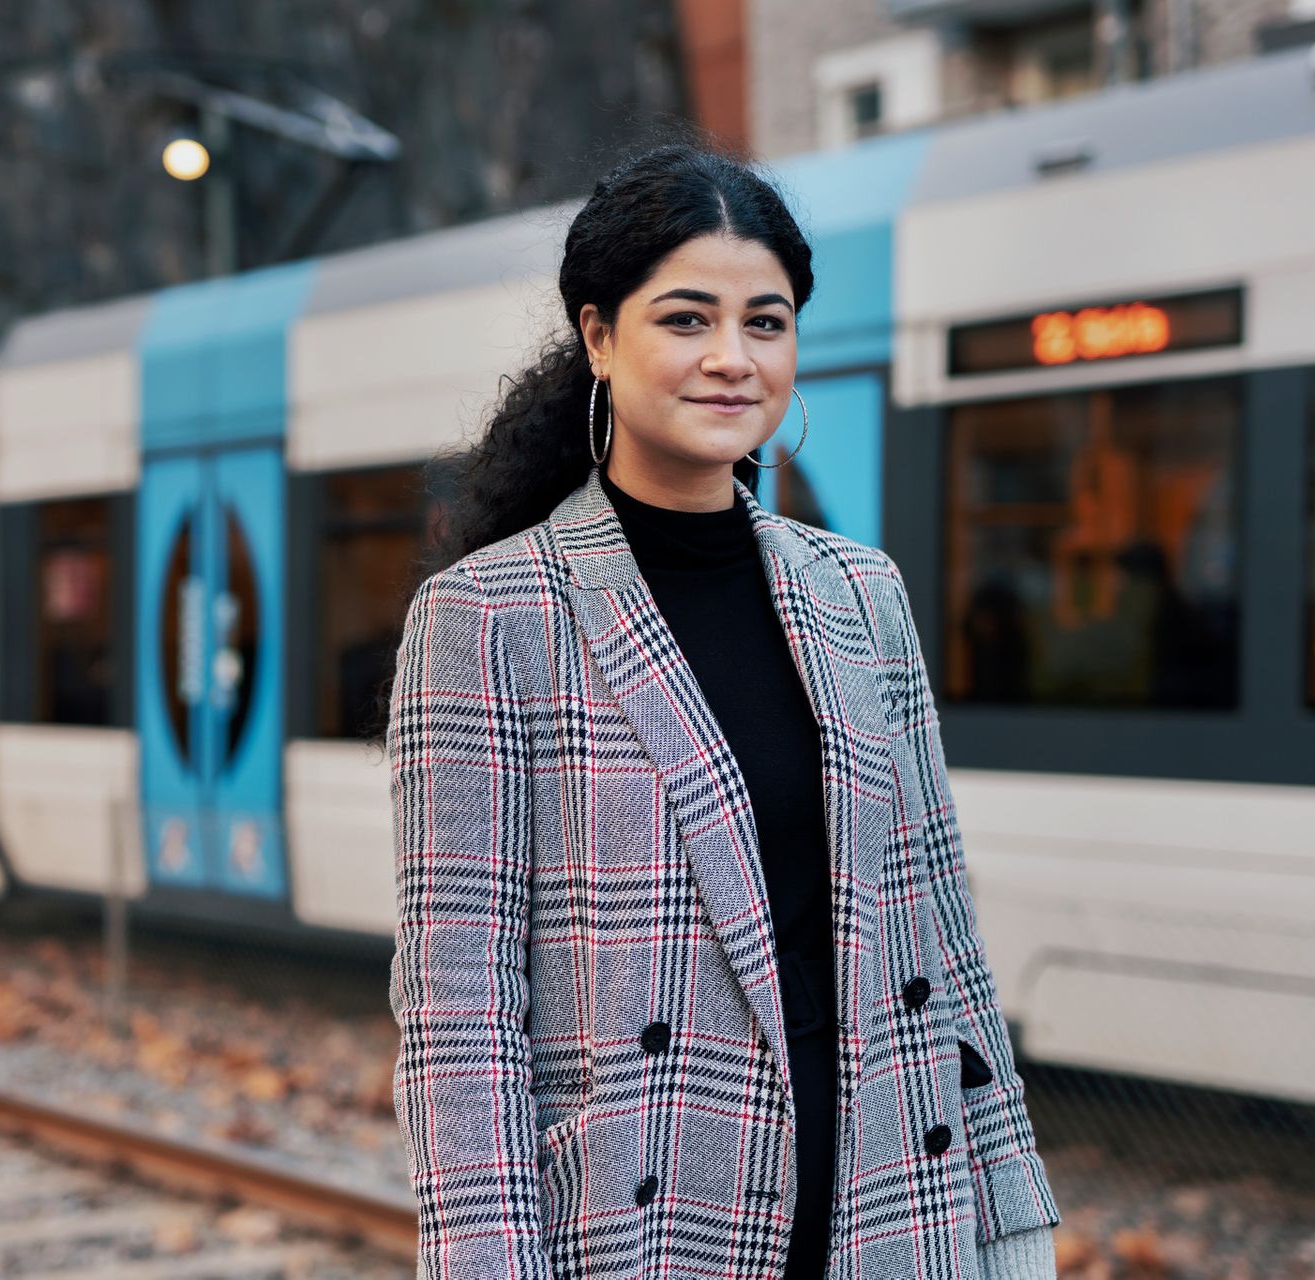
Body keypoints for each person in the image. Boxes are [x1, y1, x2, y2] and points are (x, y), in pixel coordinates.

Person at [386, 143, 1059, 1280]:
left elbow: (940, 931)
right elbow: (461, 1007)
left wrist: (1012, 1206)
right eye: (687, 319)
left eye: (767, 321)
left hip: (889, 1198)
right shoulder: (489, 617)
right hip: (648, 1214)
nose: (732, 359)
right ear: (599, 337)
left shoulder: (861, 594)